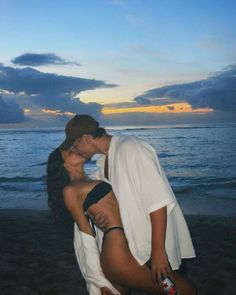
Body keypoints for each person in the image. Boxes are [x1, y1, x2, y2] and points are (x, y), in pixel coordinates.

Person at [60, 114, 196, 288]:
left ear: (87, 138)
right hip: (138, 250)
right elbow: (119, 200)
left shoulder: (131, 149)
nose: (75, 149)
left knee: (181, 290)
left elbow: (158, 202)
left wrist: (158, 251)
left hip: (158, 249)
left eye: (76, 143)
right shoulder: (103, 162)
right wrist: (98, 219)